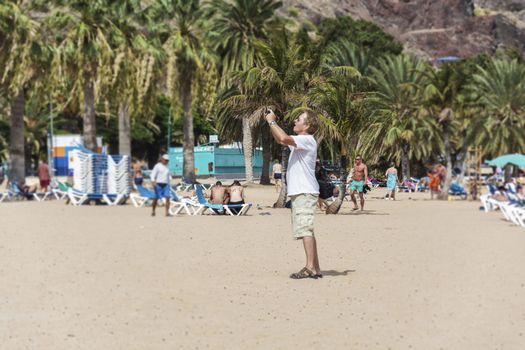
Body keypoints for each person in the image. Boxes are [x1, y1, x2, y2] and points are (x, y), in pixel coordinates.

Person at [265, 108, 322, 280]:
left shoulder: (306, 140)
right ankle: (316, 268)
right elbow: (280, 139)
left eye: (299, 119)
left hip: (304, 191)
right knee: (307, 230)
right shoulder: (302, 141)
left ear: (307, 125)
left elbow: (282, 137)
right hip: (302, 191)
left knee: (305, 229)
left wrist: (271, 121)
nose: (295, 121)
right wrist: (271, 122)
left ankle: (310, 267)